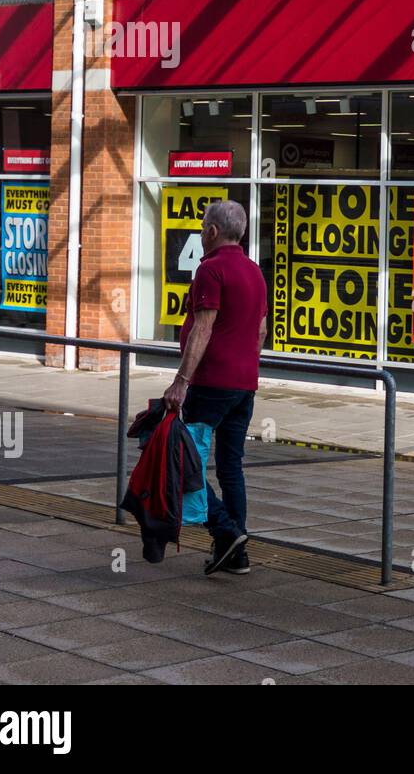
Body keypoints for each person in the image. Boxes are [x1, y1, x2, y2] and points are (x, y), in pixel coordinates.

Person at [162, 199, 267, 576]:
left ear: (212, 232)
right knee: (230, 467)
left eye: (204, 224)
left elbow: (203, 329)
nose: (202, 230)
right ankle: (236, 553)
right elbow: (260, 332)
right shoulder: (255, 272)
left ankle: (225, 529)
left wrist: (181, 381)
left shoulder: (211, 270)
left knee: (182, 458)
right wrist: (244, 367)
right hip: (245, 386)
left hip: (211, 385)